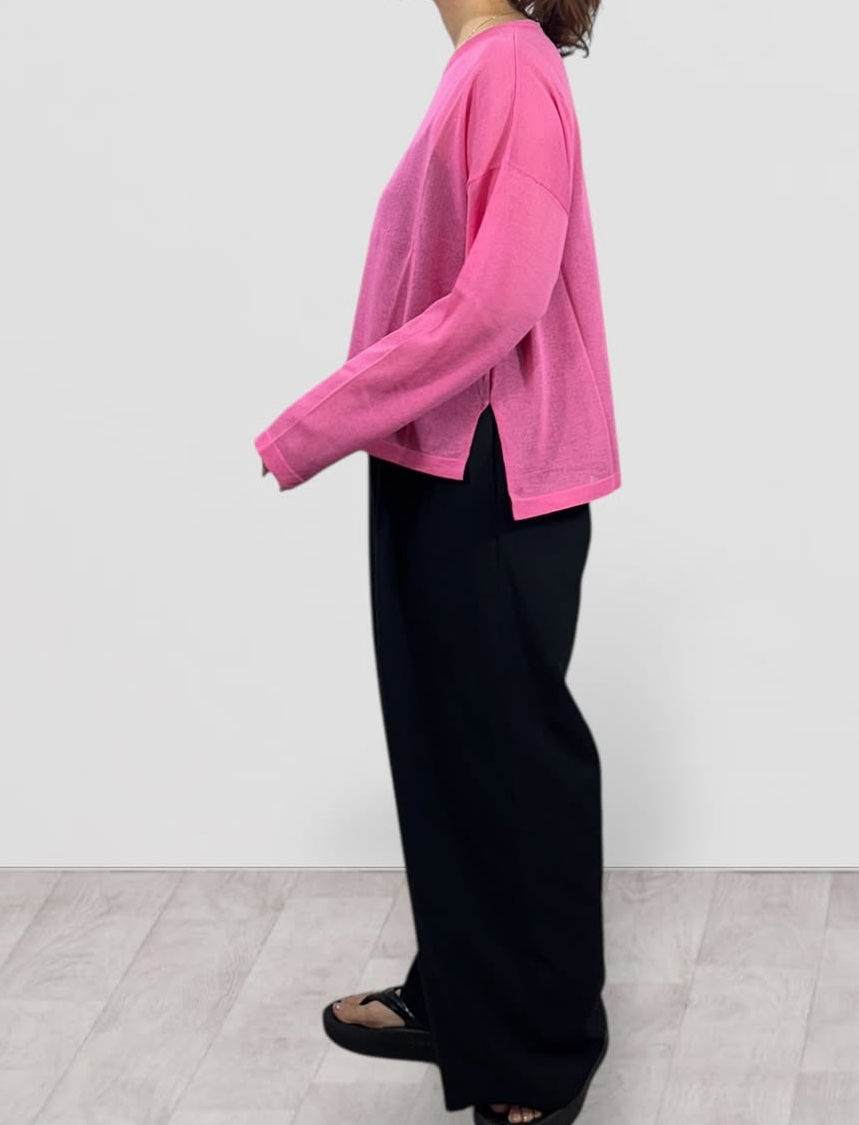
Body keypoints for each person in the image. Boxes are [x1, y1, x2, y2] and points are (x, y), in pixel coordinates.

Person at [254, 3, 619, 1122]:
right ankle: (462, 995)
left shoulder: (506, 67)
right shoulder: (484, 66)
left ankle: (539, 1054)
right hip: (441, 456)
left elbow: (499, 300)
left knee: (509, 759)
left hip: (490, 469)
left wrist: (321, 418)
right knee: (450, 751)